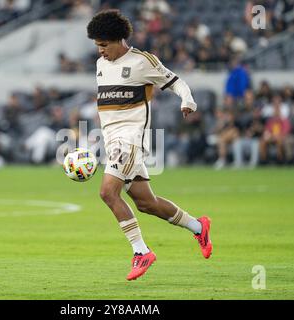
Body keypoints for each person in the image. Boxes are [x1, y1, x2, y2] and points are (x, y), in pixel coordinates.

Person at [86, 10, 212, 281]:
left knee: (108, 192)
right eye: (97, 45)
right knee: (147, 203)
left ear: (119, 40)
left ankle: (141, 251)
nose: (101, 50)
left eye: (104, 44)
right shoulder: (100, 64)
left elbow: (176, 81)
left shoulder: (143, 62)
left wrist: (187, 100)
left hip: (131, 139)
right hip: (112, 141)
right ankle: (198, 226)